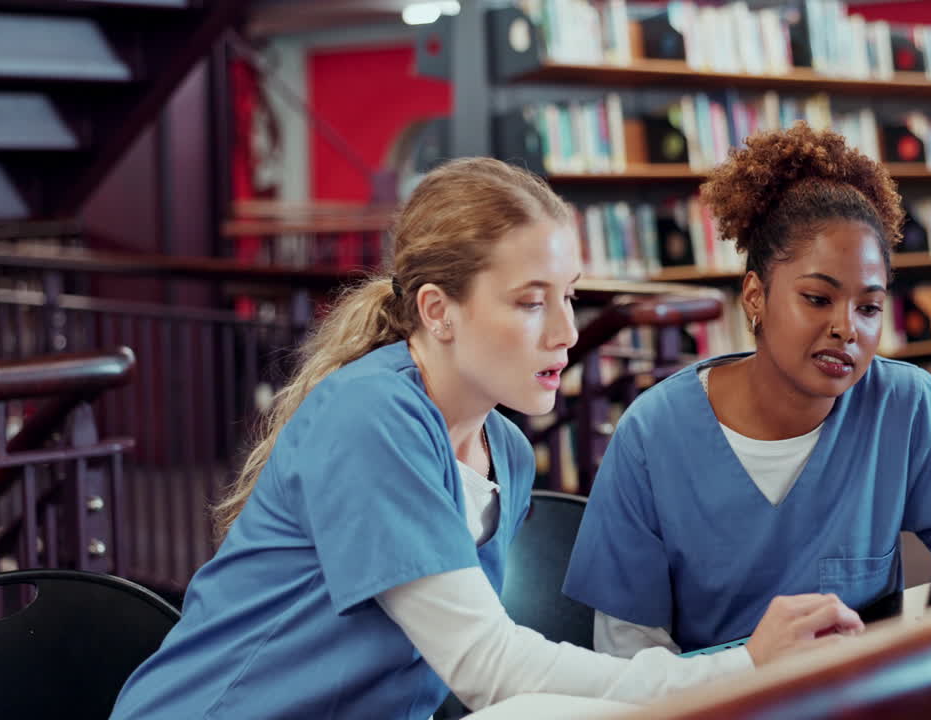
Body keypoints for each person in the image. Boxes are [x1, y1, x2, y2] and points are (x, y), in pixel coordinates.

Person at [109, 158, 864, 720]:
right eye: (531, 303)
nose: (567, 332)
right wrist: (740, 667)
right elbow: (488, 669)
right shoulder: (372, 418)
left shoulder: (504, 451)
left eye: (567, 297)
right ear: (438, 310)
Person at [562, 124, 931, 658]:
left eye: (869, 307)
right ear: (755, 296)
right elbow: (627, 656)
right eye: (816, 298)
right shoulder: (652, 435)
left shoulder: (905, 405)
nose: (846, 328)